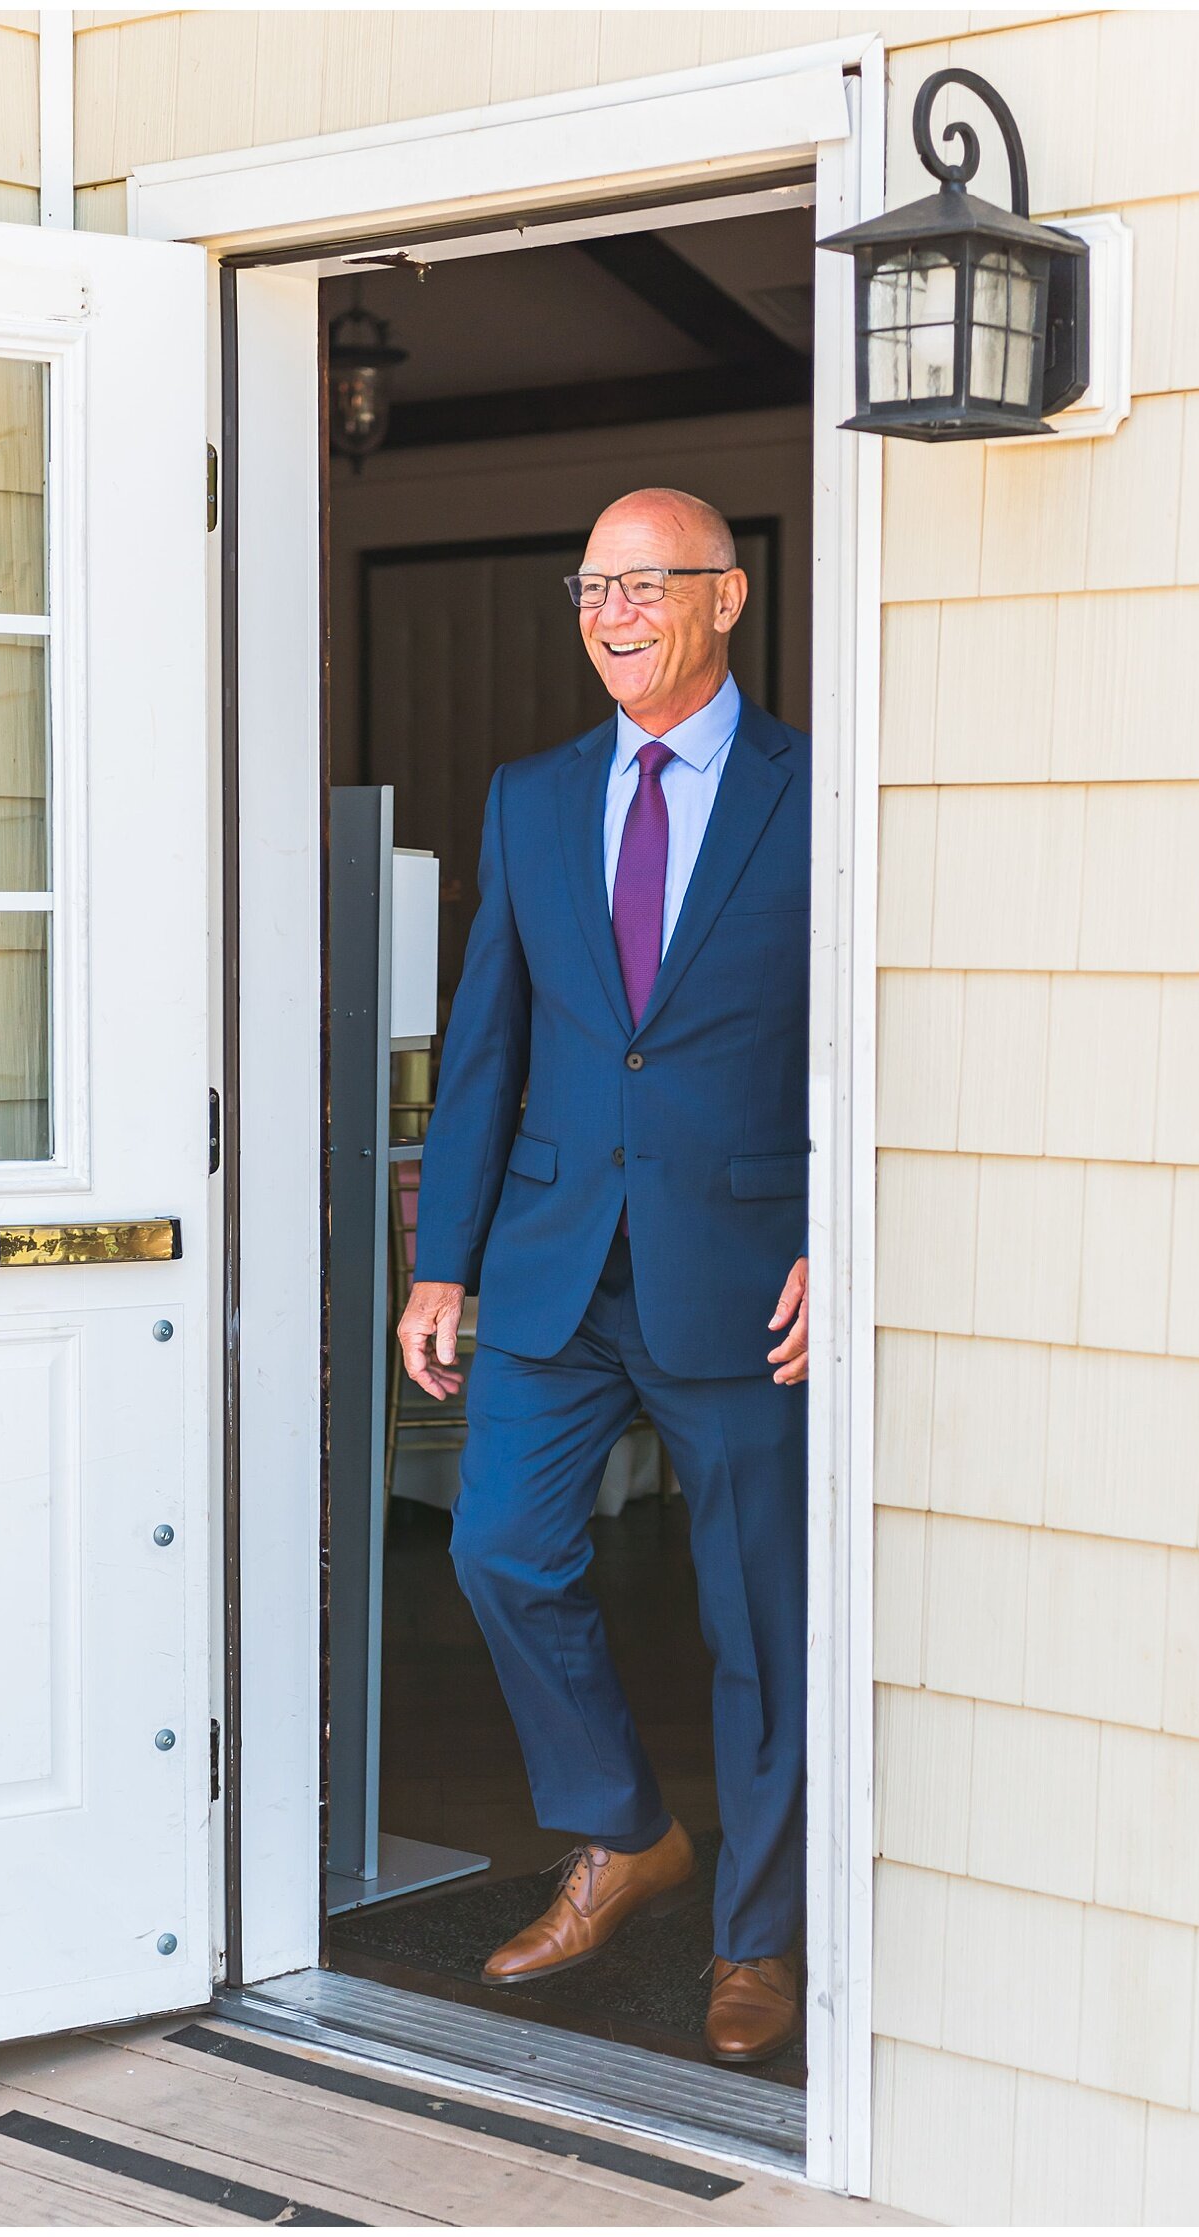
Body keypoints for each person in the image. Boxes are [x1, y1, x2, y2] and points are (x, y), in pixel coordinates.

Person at [397, 487, 809, 2066]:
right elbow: (492, 1038)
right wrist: (445, 1265)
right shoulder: (530, 796)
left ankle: (754, 1937)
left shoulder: (809, 790)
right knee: (500, 1546)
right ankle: (624, 1829)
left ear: (727, 598)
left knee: (758, 1622)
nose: (614, 612)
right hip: (556, 1266)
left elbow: (860, 1034)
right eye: (592, 586)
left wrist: (838, 1239)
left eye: (647, 584)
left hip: (744, 1272)